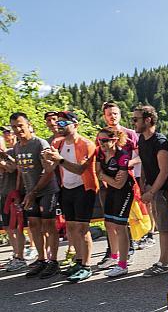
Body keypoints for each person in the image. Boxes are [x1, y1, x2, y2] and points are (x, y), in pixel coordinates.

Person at [43, 112, 98, 282]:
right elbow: (51, 168)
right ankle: (79, 261)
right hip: (66, 188)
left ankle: (87, 265)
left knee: (82, 228)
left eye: (64, 123)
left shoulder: (86, 144)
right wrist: (47, 159)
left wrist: (59, 160)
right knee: (71, 228)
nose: (60, 126)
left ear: (75, 125)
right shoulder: (57, 143)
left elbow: (80, 169)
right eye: (58, 123)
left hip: (84, 188)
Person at [10, 112, 60, 278]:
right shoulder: (17, 147)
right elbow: (20, 172)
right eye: (14, 127)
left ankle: (53, 261)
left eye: (20, 125)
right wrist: (18, 192)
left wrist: (34, 192)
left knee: (48, 225)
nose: (18, 129)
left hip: (46, 190)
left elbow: (49, 170)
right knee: (33, 225)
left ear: (28, 124)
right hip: (30, 192)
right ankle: (42, 259)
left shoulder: (40, 143)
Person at [134, 105, 168, 276]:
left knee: (163, 227)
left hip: (164, 190)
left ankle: (164, 263)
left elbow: (165, 171)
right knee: (163, 224)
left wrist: (151, 192)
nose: (133, 123)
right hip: (153, 188)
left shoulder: (160, 142)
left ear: (148, 120)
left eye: (136, 119)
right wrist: (144, 183)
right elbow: (145, 162)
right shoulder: (142, 140)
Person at [95, 128, 135, 277]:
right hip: (111, 191)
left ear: (114, 140)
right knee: (109, 224)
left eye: (105, 140)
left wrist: (105, 177)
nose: (102, 143)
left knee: (120, 226)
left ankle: (123, 264)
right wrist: (106, 178)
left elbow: (119, 183)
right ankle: (114, 256)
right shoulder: (100, 152)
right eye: (100, 140)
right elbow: (97, 172)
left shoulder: (122, 156)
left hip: (124, 191)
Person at [0, 126, 26, 271]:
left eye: (8, 132)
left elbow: (13, 168)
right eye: (4, 132)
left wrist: (3, 158)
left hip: (13, 194)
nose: (7, 134)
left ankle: (20, 257)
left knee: (16, 227)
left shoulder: (14, 151)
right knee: (8, 227)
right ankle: (16, 254)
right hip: (3, 194)